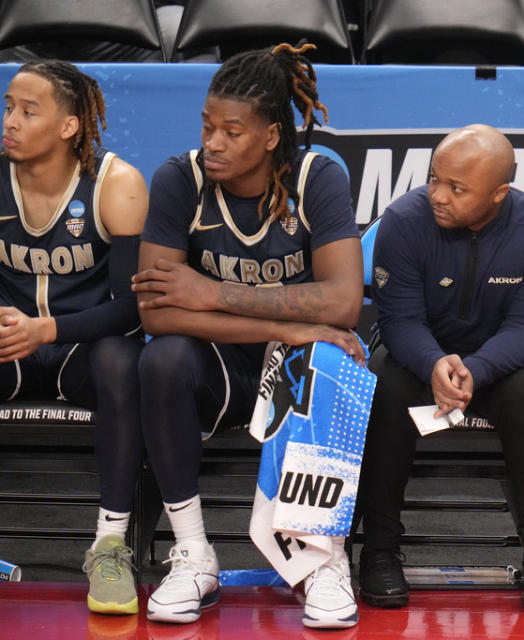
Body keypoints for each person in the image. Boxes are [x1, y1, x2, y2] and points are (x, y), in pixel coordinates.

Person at [130, 43, 364, 628]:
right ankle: (193, 554)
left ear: (269, 136)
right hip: (219, 367)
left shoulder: (318, 177)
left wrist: (211, 291)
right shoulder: (179, 179)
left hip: (292, 369)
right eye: (208, 126)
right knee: (161, 360)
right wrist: (289, 321)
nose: (213, 142)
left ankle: (322, 560)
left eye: (232, 131)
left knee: (331, 355)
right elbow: (157, 314)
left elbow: (341, 302)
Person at [356, 124, 524, 611]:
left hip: (503, 357)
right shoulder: (404, 219)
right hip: (418, 354)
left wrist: (474, 368)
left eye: (456, 188)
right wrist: (435, 362)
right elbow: (398, 319)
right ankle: (380, 551)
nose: (437, 195)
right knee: (384, 386)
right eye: (434, 179)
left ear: (499, 193)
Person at [0, 60, 148, 614]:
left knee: (121, 361)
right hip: (12, 344)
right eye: (8, 106)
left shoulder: (117, 184)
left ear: (68, 126)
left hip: (80, 349)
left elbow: (132, 310)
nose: (10, 120)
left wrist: (49, 328)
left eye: (28, 111)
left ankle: (110, 544)